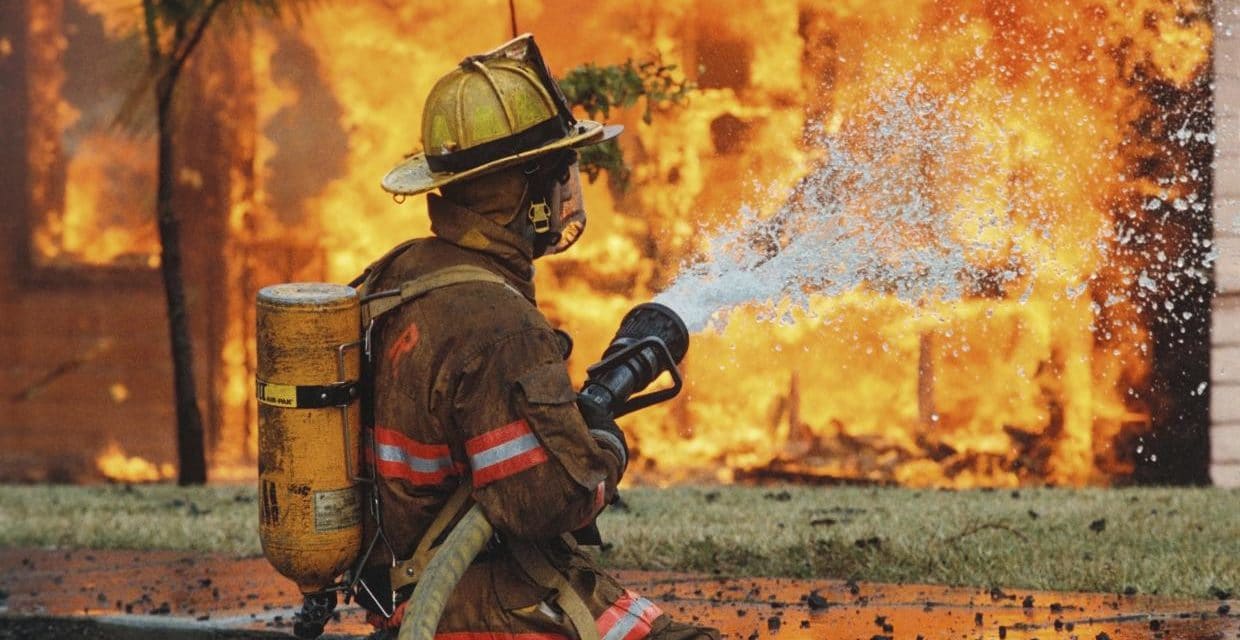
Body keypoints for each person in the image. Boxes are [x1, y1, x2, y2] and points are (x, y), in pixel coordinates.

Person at [352, 35, 719, 640]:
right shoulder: (500, 328)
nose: (570, 188)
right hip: (483, 602)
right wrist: (603, 449)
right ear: (528, 190)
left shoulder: (397, 275)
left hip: (404, 595)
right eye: (561, 169)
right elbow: (549, 501)